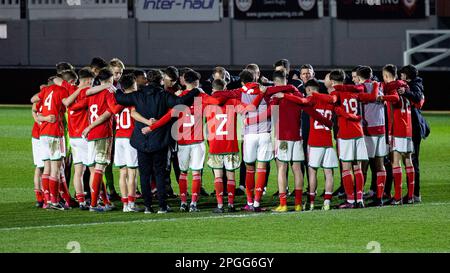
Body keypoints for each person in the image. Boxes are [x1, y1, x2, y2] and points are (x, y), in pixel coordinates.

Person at [115, 69, 201, 214]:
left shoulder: (137, 95)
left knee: (144, 175)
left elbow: (119, 98)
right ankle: (162, 206)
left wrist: (114, 88)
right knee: (160, 174)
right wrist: (195, 91)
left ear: (147, 80)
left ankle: (148, 206)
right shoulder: (164, 95)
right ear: (161, 80)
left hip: (141, 140)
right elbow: (180, 102)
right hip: (159, 139)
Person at [318, 69, 378, 209]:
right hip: (358, 131)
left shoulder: (336, 92)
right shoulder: (354, 91)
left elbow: (332, 100)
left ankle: (351, 200)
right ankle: (359, 198)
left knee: (346, 168)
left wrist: (316, 96)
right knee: (357, 167)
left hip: (345, 134)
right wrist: (375, 85)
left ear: (332, 81)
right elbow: (372, 97)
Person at [72, 67, 123, 212]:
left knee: (94, 169)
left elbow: (75, 106)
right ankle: (94, 204)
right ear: (110, 79)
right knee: (99, 168)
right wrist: (126, 99)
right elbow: (113, 110)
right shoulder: (108, 92)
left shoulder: (92, 93)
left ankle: (104, 201)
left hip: (91, 135)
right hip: (102, 132)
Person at [53, 68, 96, 210]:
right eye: (92, 81)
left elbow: (55, 79)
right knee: (93, 170)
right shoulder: (85, 92)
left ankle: (82, 201)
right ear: (88, 80)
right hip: (84, 136)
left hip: (73, 137)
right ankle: (96, 200)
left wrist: (74, 87)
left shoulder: (70, 88)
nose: (93, 83)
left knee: (79, 171)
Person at [30, 76, 72, 210]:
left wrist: (43, 117)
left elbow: (33, 101)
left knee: (46, 168)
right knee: (56, 168)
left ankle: (47, 200)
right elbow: (67, 103)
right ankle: (54, 201)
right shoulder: (61, 90)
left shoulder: (45, 93)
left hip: (43, 134)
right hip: (55, 132)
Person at [399, 65, 428, 202]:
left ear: (407, 75)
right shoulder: (413, 84)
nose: (400, 76)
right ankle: (413, 193)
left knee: (412, 161)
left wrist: (405, 92)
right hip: (411, 127)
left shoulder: (415, 85)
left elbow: (417, 99)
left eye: (402, 74)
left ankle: (415, 194)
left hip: (414, 128)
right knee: (409, 160)